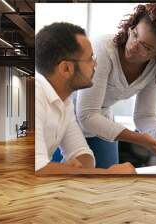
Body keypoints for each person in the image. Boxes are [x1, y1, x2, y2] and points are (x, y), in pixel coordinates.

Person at [76, 3, 156, 168]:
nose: (132, 46)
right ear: (131, 27)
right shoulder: (103, 48)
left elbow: (144, 117)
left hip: (102, 121)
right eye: (134, 34)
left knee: (110, 182)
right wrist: (140, 139)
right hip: (70, 119)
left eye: (145, 47)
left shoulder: (155, 67)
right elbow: (87, 114)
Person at [35, 22, 135, 175]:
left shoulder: (65, 102)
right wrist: (108, 174)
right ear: (66, 68)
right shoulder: (37, 96)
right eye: (89, 59)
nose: (95, 64)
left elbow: (82, 153)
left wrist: (73, 169)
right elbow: (39, 169)